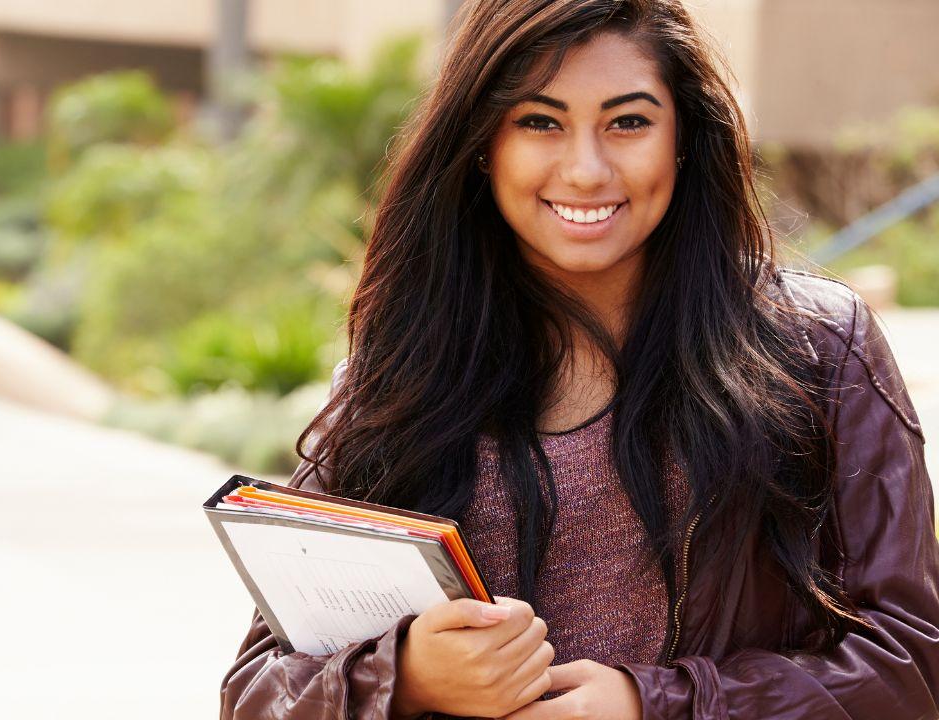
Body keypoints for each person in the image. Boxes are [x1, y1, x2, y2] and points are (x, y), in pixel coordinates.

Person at [220, 1, 939, 719]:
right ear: (482, 142)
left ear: (683, 137)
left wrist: (650, 704)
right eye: (540, 122)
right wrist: (405, 677)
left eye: (629, 122)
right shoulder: (403, 371)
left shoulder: (814, 348)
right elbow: (257, 692)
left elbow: (912, 663)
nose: (587, 169)